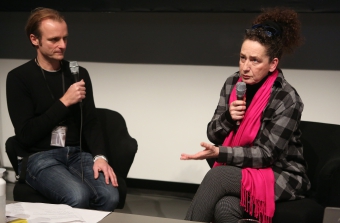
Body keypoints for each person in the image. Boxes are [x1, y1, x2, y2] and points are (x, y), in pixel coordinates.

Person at [180, 7, 310, 223]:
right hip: (244, 169)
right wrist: (228, 118)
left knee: (218, 176)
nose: (245, 67)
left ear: (273, 64)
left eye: (255, 60)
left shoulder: (287, 98)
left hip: (281, 174)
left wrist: (221, 153)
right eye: (242, 58)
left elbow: (267, 154)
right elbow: (213, 133)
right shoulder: (233, 83)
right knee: (225, 208)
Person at [6, 7, 119, 211]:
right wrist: (64, 102)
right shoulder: (18, 78)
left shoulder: (77, 73)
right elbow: (25, 135)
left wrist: (100, 157)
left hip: (76, 153)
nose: (62, 45)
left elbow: (91, 121)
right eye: (54, 39)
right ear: (35, 40)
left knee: (110, 196)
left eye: (65, 38)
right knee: (78, 196)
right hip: (39, 156)